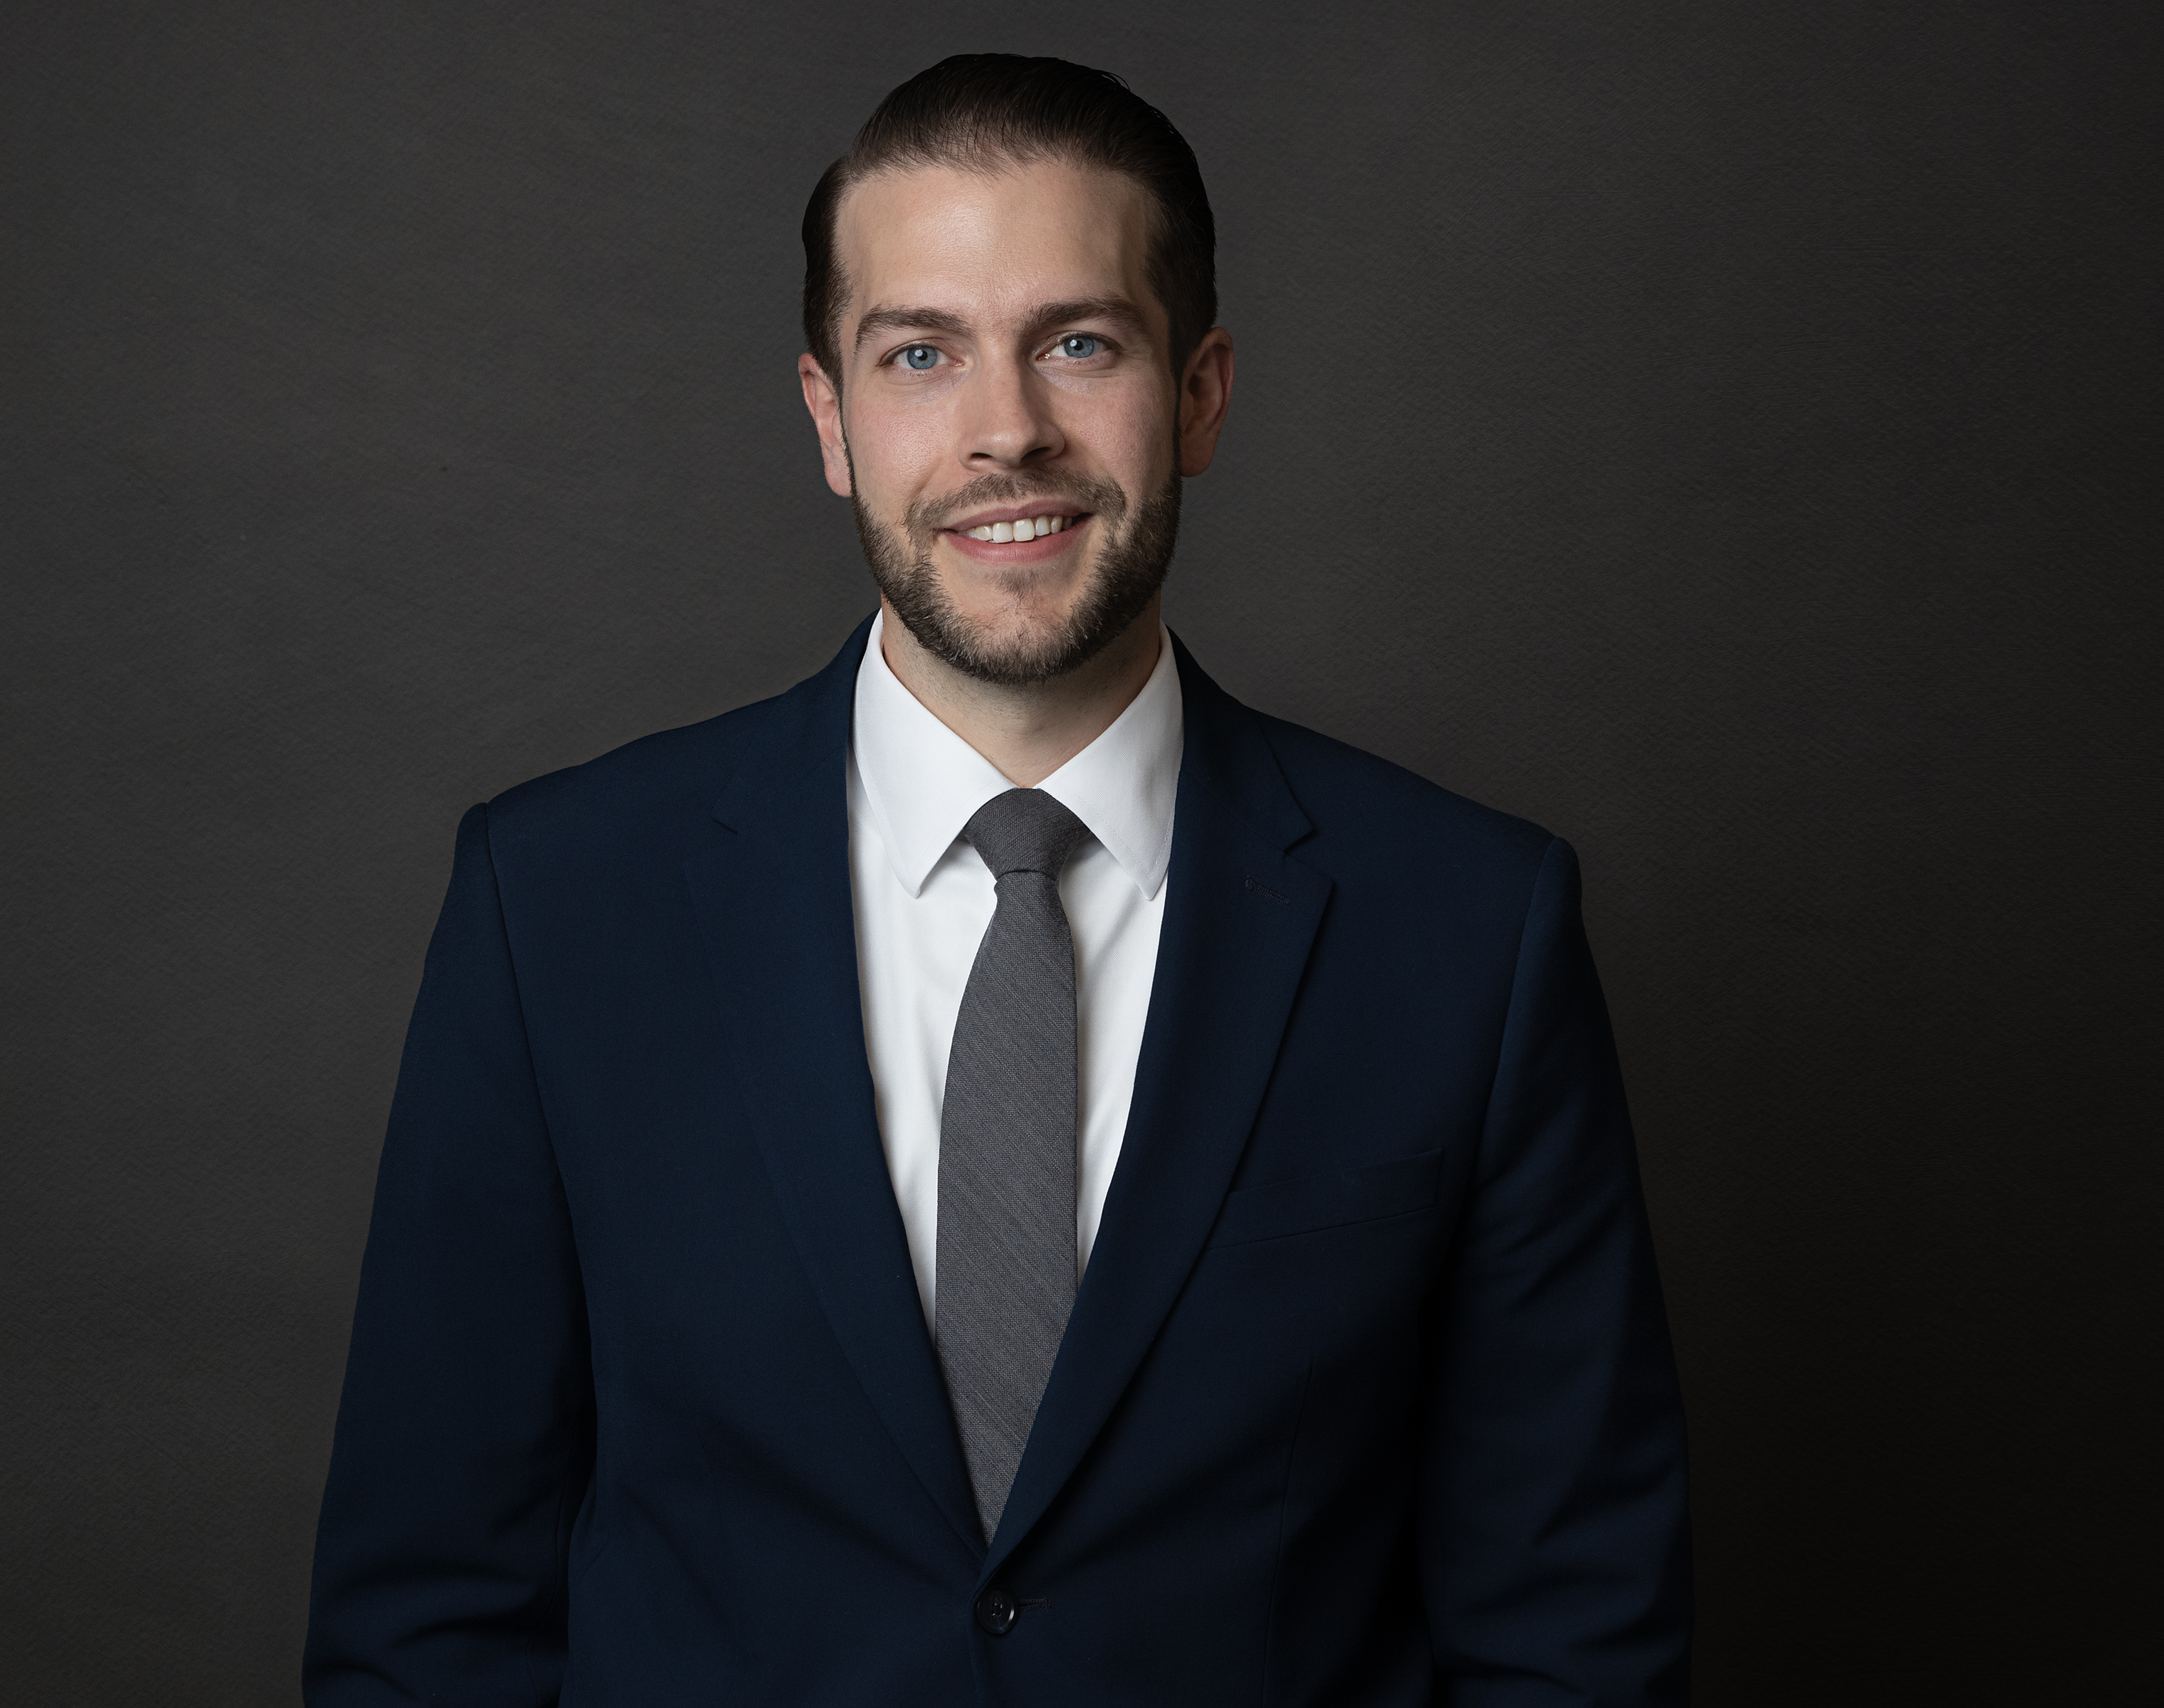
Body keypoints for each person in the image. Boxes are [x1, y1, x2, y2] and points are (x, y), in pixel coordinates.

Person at [305, 53, 1690, 1707]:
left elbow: (1571, 1631)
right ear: (830, 418)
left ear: (1201, 392)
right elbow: (429, 1613)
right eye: (919, 354)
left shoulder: (1471, 928)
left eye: (1079, 343)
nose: (1004, 431)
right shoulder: (557, 905)